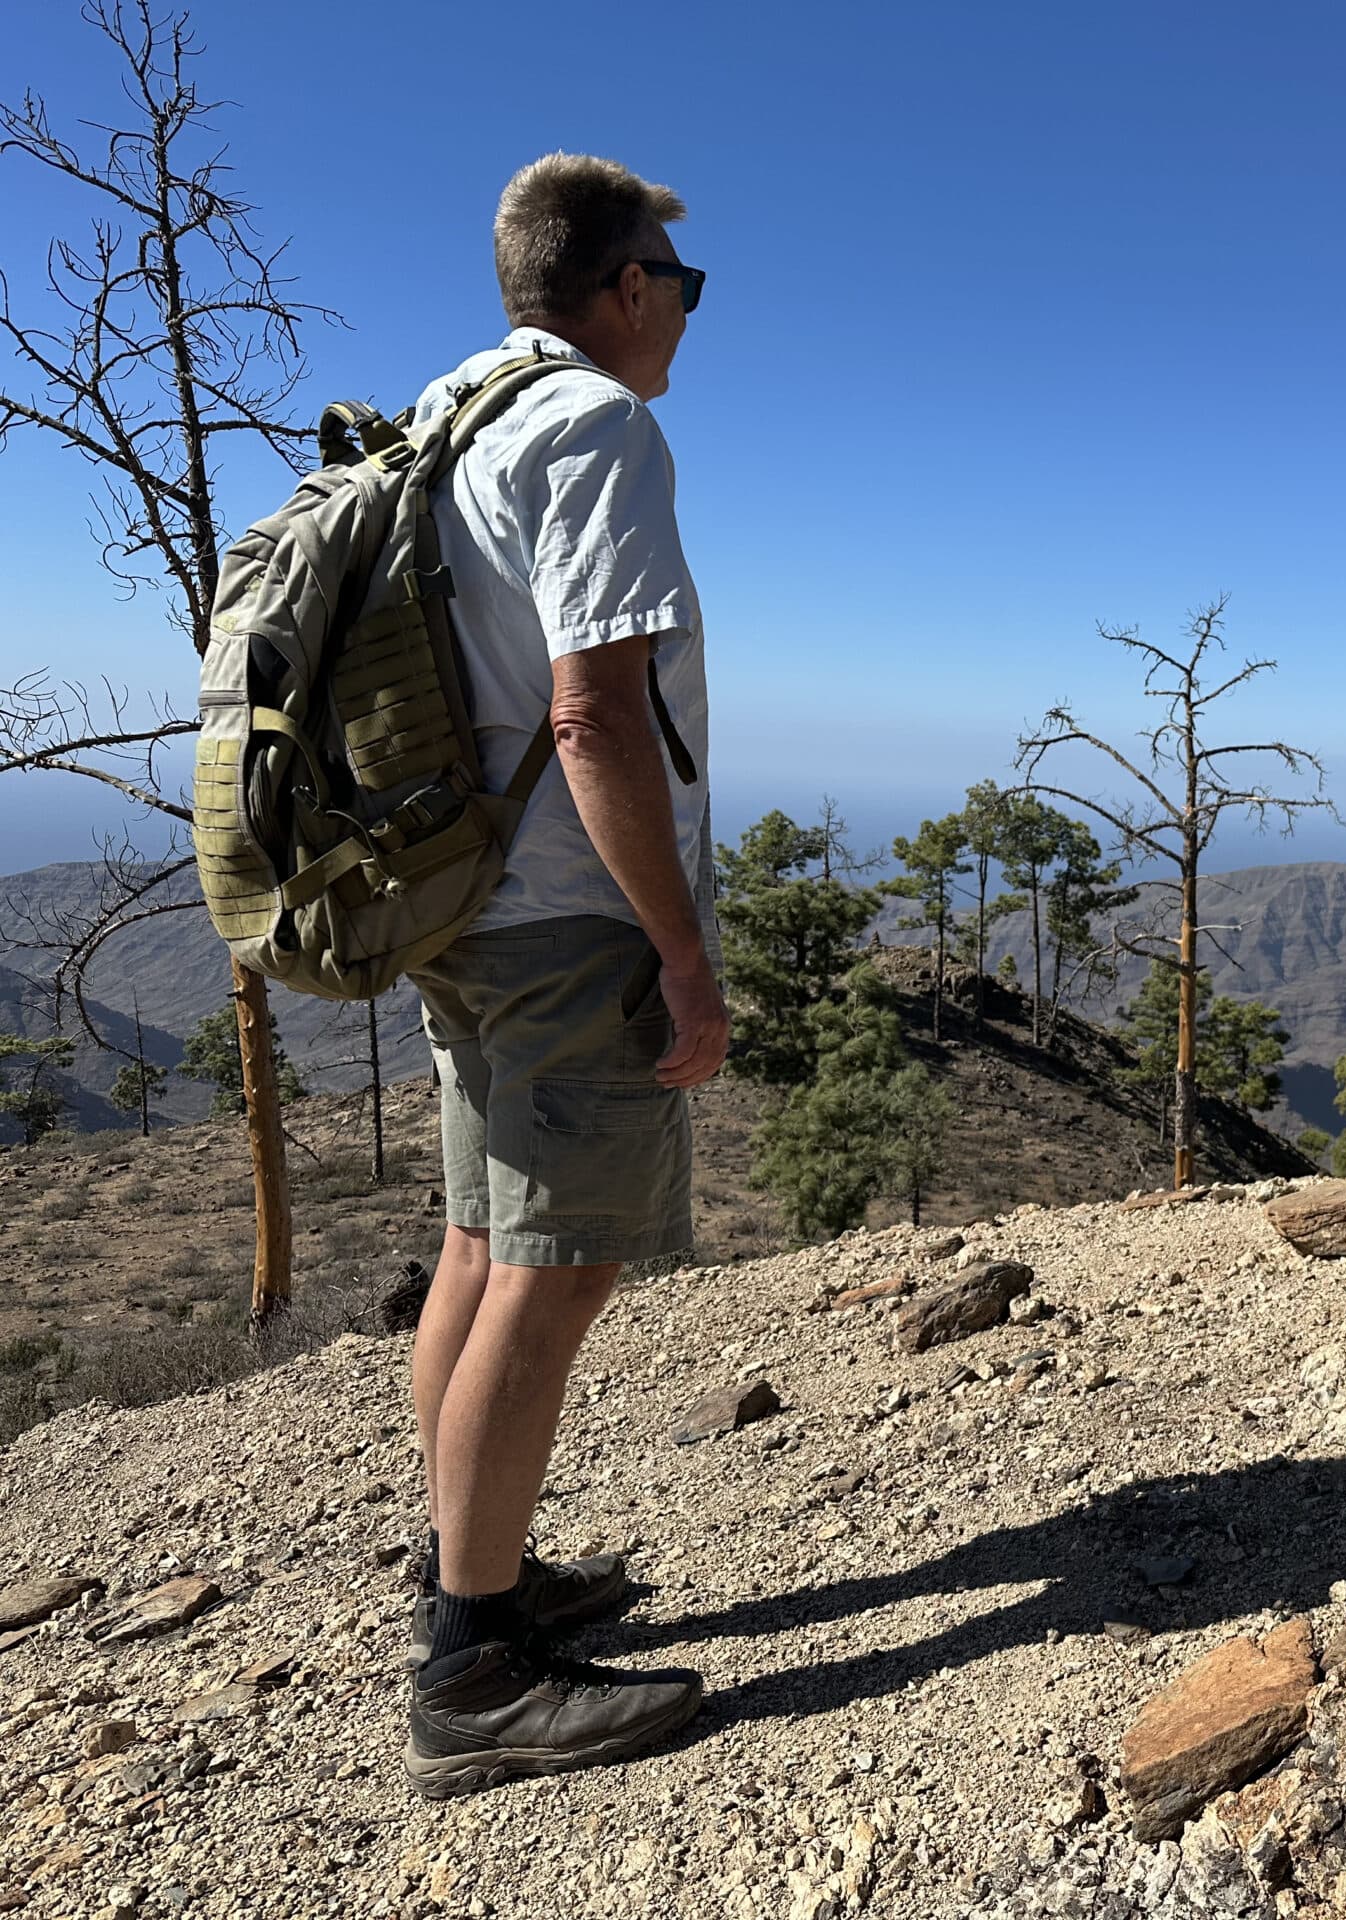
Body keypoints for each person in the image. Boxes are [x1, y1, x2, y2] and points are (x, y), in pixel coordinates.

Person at [399, 152, 727, 1799]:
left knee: (477, 1240)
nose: (687, 310)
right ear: (622, 289)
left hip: (460, 901)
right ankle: (472, 1668)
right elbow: (596, 718)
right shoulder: (599, 425)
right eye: (684, 280)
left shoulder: (448, 413)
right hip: (562, 918)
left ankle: (473, 1567)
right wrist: (680, 953)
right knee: (558, 1270)